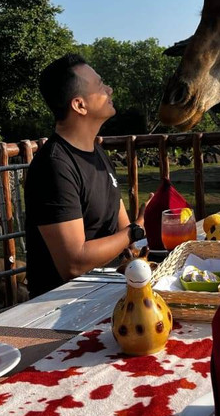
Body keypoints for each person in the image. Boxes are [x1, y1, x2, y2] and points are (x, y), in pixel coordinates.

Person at [24, 53, 149, 298]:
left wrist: (140, 239)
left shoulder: (97, 152)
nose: (109, 89)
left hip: (107, 287)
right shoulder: (54, 166)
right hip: (63, 304)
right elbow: (74, 264)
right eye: (101, 86)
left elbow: (124, 229)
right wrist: (135, 231)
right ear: (80, 105)